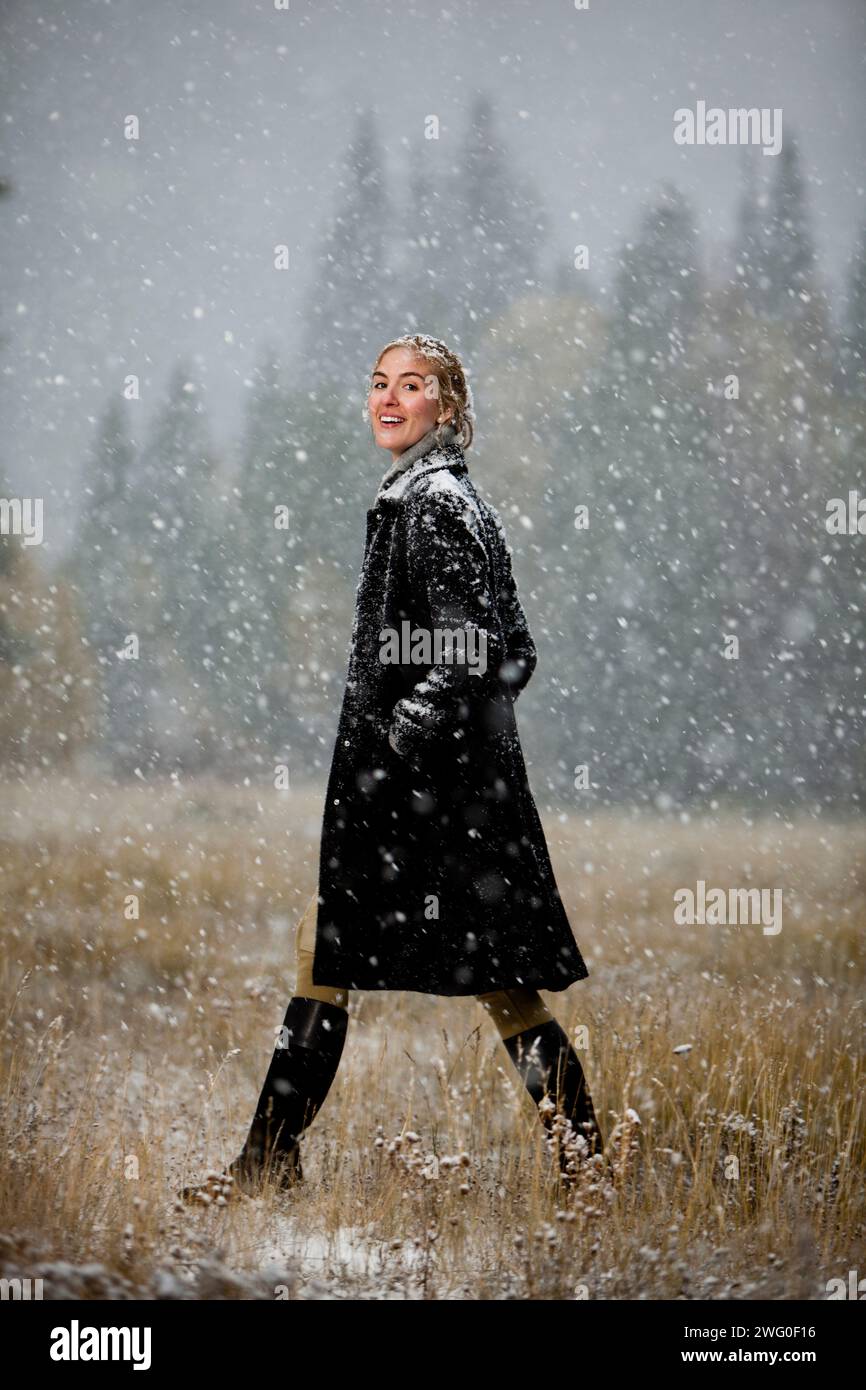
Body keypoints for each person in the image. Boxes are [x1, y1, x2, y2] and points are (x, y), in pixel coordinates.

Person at [182, 334, 604, 1204]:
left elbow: (476, 648)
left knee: (489, 985)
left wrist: (406, 740)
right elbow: (514, 651)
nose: (388, 398)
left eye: (411, 386)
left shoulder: (431, 506)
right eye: (378, 383)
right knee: (346, 958)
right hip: (446, 796)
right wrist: (455, 734)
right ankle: (270, 1163)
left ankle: (586, 1168)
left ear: (445, 409)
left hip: (422, 804)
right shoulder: (446, 498)